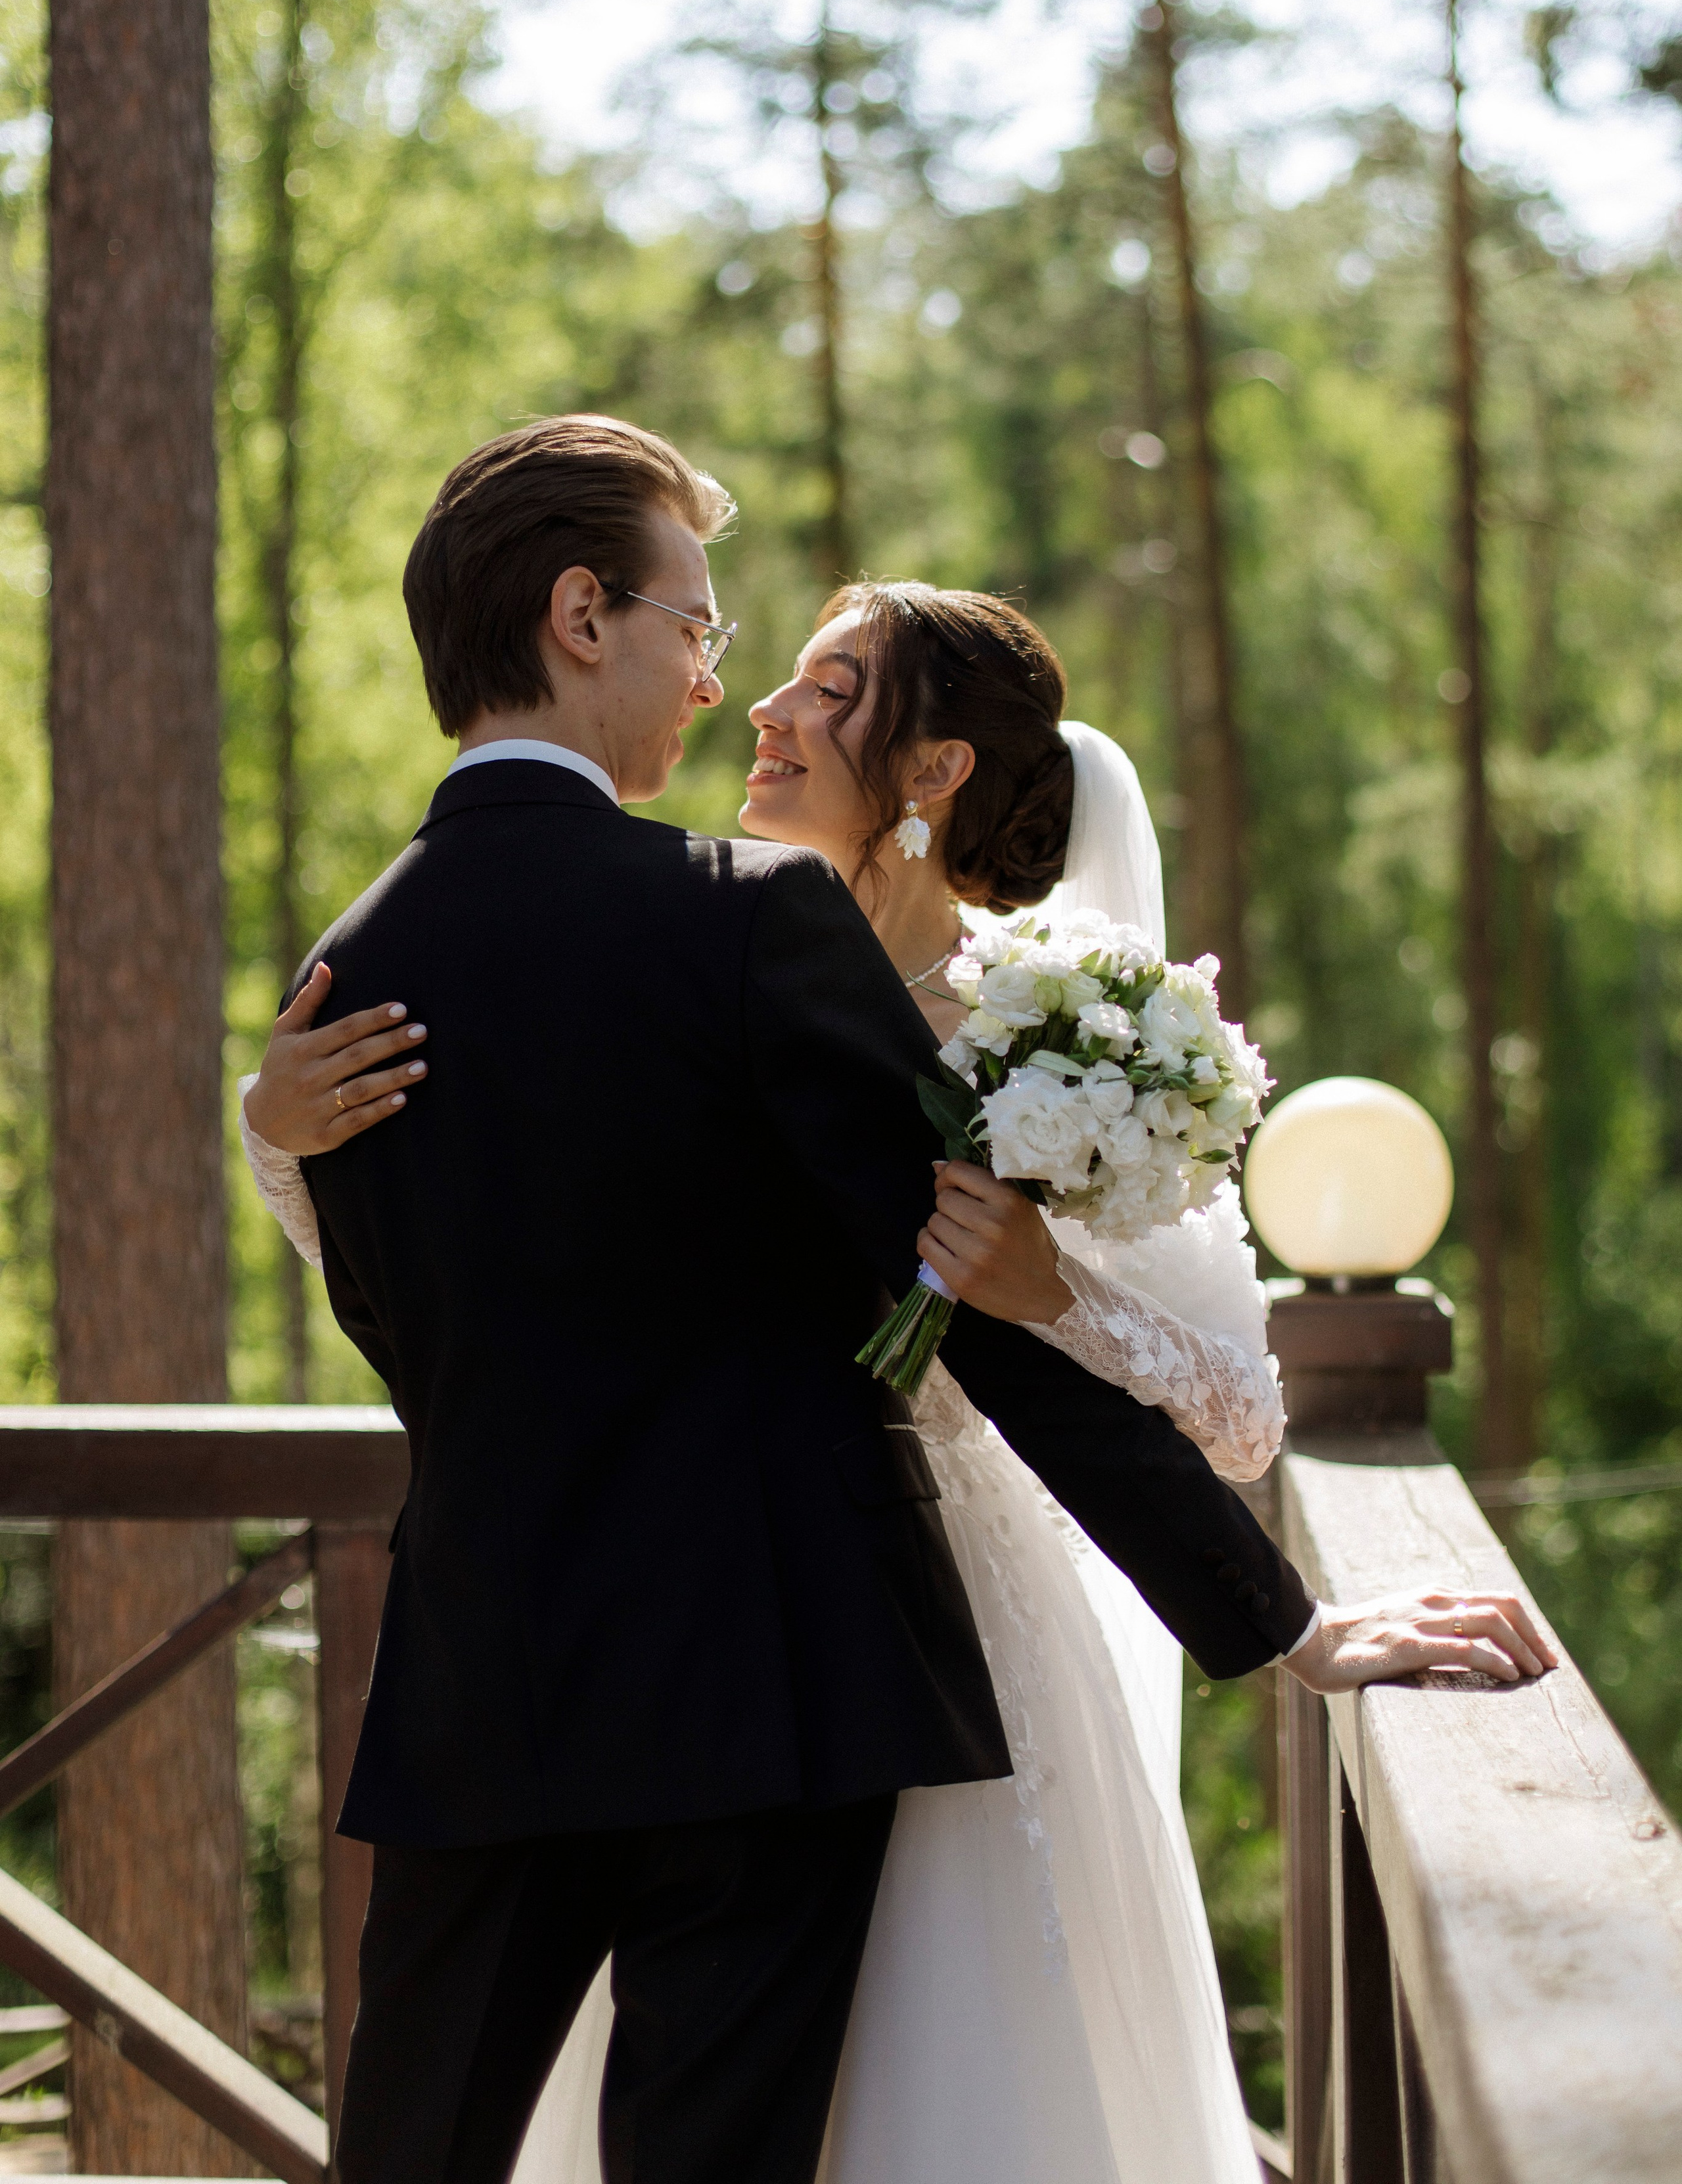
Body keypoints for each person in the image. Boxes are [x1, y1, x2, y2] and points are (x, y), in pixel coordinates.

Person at [242, 417, 1555, 2184]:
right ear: (580, 616)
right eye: (697, 627)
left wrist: (270, 1149)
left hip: (487, 1684)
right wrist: (1282, 1630)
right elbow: (968, 1310)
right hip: (773, 1693)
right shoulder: (746, 917)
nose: (715, 685)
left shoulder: (351, 972)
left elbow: (410, 1333)